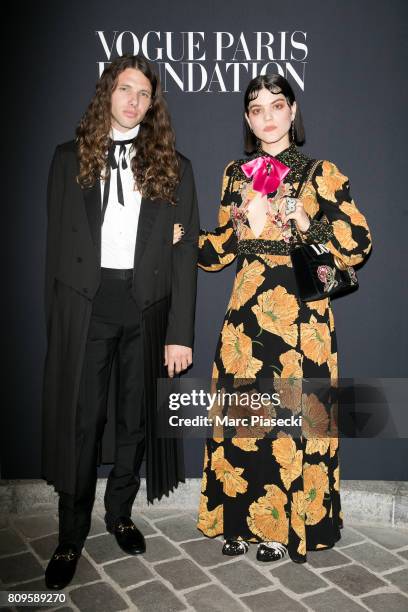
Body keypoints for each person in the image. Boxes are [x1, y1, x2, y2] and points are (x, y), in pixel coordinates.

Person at [195, 74, 372, 563]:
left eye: (277, 105)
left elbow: (358, 244)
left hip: (300, 322)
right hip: (246, 320)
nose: (267, 116)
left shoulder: (320, 173)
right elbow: (221, 253)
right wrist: (184, 237)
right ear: (248, 120)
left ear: (293, 112)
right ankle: (239, 523)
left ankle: (282, 530)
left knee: (290, 427)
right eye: (256, 108)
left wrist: (300, 217)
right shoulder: (236, 173)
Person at [42, 54, 199, 589]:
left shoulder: (174, 166)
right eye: (125, 89)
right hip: (87, 307)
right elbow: (55, 252)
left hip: (145, 309)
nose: (134, 101)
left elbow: (184, 257)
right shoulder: (68, 159)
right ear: (107, 92)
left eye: (144, 94)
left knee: (134, 421)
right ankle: (70, 534)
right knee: (83, 422)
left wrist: (179, 334)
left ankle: (120, 513)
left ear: (153, 104)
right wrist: (58, 327)